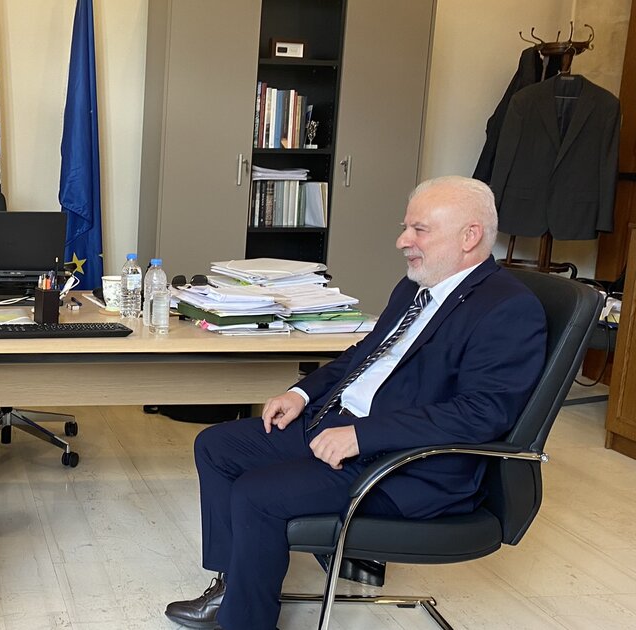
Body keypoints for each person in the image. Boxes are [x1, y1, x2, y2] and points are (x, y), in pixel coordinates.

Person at [164, 175, 547, 630]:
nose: (402, 241)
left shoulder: (507, 308)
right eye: (405, 228)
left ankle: (244, 622)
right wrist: (301, 393)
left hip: (405, 465)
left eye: (419, 230)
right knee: (217, 446)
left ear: (470, 236)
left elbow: (483, 413)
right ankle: (234, 588)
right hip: (341, 425)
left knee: (257, 493)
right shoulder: (417, 287)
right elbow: (363, 354)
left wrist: (361, 436)